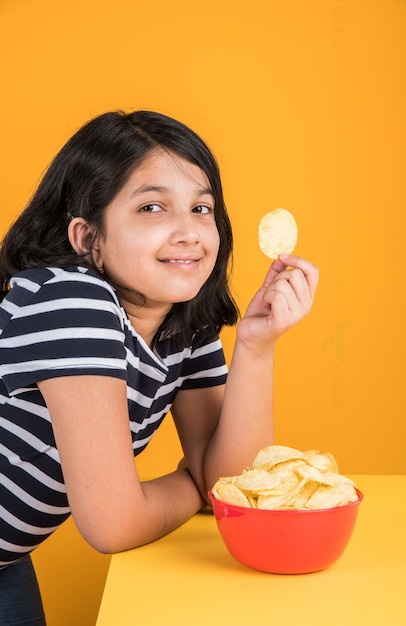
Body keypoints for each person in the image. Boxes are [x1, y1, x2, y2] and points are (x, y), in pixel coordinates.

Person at [0, 110, 319, 624]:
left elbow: (235, 487)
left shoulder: (182, 325)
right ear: (88, 238)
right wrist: (195, 488)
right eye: (152, 207)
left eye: (201, 208)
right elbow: (115, 524)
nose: (189, 232)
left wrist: (257, 346)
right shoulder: (69, 301)